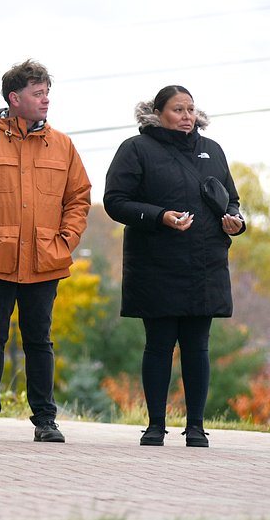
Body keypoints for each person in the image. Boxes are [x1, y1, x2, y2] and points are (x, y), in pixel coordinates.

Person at [0, 59, 90, 442]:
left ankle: (45, 420)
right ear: (15, 97)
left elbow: (79, 198)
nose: (45, 101)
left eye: (47, 93)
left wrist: (65, 241)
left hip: (45, 260)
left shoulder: (63, 146)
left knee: (39, 340)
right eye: (37, 94)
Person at [102, 85, 245, 448]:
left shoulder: (212, 151)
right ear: (158, 113)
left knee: (198, 346)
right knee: (160, 344)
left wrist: (235, 220)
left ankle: (195, 426)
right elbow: (115, 201)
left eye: (190, 110)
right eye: (178, 110)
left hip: (205, 263)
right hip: (156, 264)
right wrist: (160, 216)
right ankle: (155, 425)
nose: (186, 117)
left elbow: (231, 200)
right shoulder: (136, 149)